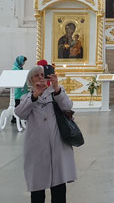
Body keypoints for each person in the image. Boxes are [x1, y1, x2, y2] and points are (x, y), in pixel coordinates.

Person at [14, 65, 76, 203]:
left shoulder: (56, 92)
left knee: (59, 187)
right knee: (37, 189)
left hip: (57, 145)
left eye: (43, 75)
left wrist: (57, 88)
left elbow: (67, 106)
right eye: (37, 75)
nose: (41, 78)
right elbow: (20, 113)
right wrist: (35, 95)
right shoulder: (27, 97)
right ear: (31, 80)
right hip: (37, 148)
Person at [11, 55, 28, 123]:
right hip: (18, 89)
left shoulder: (19, 68)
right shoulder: (15, 68)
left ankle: (19, 117)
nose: (24, 63)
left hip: (22, 89)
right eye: (23, 61)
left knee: (20, 104)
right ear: (20, 61)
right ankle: (14, 118)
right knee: (17, 104)